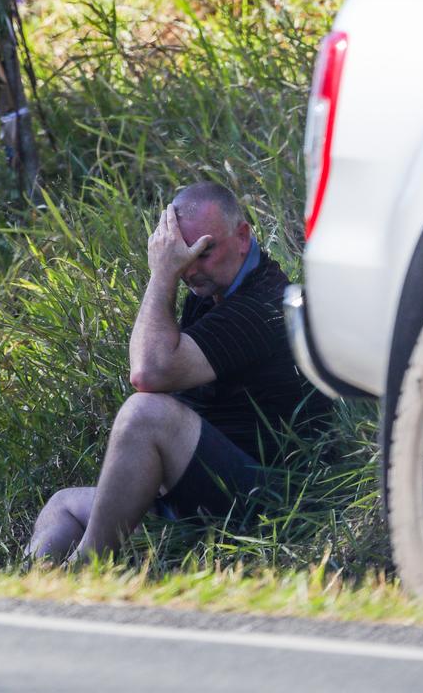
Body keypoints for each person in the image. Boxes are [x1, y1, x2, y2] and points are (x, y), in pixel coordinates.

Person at [27, 181, 330, 562]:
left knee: (145, 413)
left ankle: (84, 569)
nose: (190, 269)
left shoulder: (261, 305)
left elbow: (148, 373)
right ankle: (31, 589)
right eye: (181, 255)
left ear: (242, 237)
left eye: (203, 251)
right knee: (62, 506)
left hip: (267, 501)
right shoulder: (212, 293)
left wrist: (162, 276)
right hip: (202, 490)